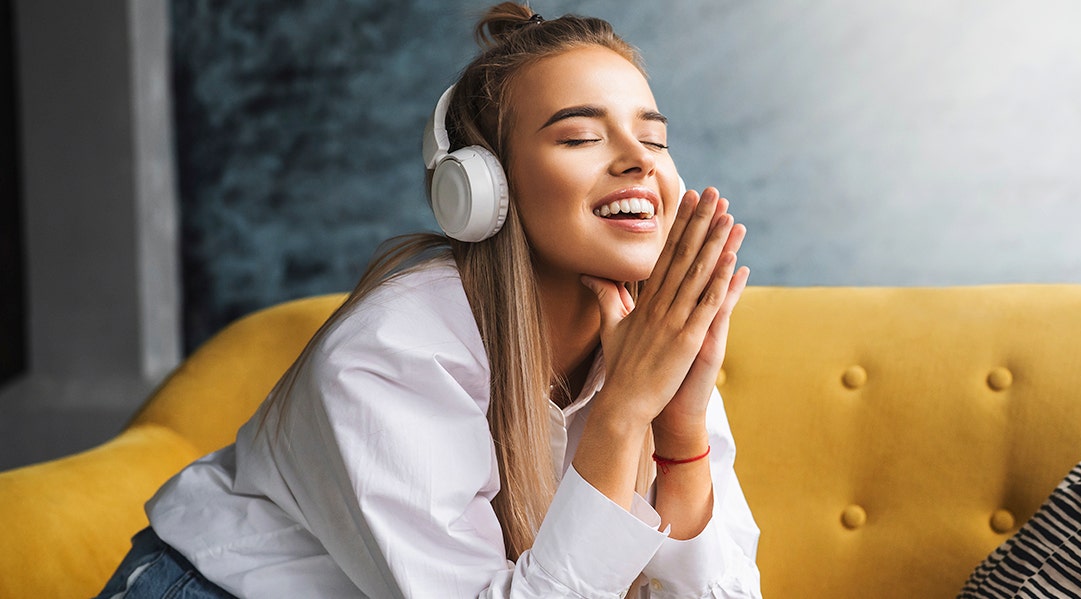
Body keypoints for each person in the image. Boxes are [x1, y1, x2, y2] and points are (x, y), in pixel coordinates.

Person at [96, 3, 762, 598]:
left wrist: (678, 432)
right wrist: (621, 417)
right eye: (581, 136)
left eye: (654, 138)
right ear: (482, 188)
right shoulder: (394, 350)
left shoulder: (653, 341)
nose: (639, 160)